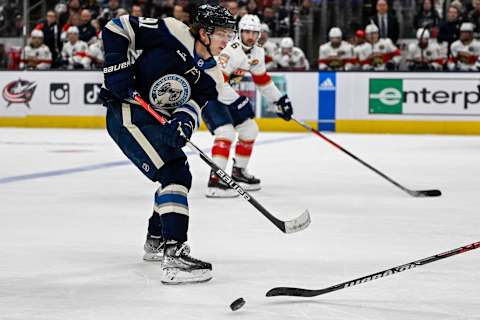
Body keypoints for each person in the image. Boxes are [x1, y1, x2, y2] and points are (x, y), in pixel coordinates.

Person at [100, 5, 236, 284]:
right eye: (221, 33)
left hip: (155, 121)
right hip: (127, 111)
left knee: (177, 173)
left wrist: (183, 123)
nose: (226, 40)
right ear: (203, 32)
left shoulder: (214, 77)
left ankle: (156, 239)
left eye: (229, 33)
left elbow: (192, 105)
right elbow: (116, 27)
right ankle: (173, 253)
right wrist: (117, 68)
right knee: (174, 173)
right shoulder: (171, 31)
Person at [201, 14, 293, 197]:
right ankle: (216, 180)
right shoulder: (230, 50)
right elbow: (218, 81)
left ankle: (238, 172)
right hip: (207, 94)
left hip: (225, 94)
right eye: (247, 32)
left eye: (254, 32)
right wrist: (238, 101)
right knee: (225, 132)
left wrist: (279, 99)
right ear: (239, 32)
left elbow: (263, 81)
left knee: (250, 129)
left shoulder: (257, 52)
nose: (250, 36)